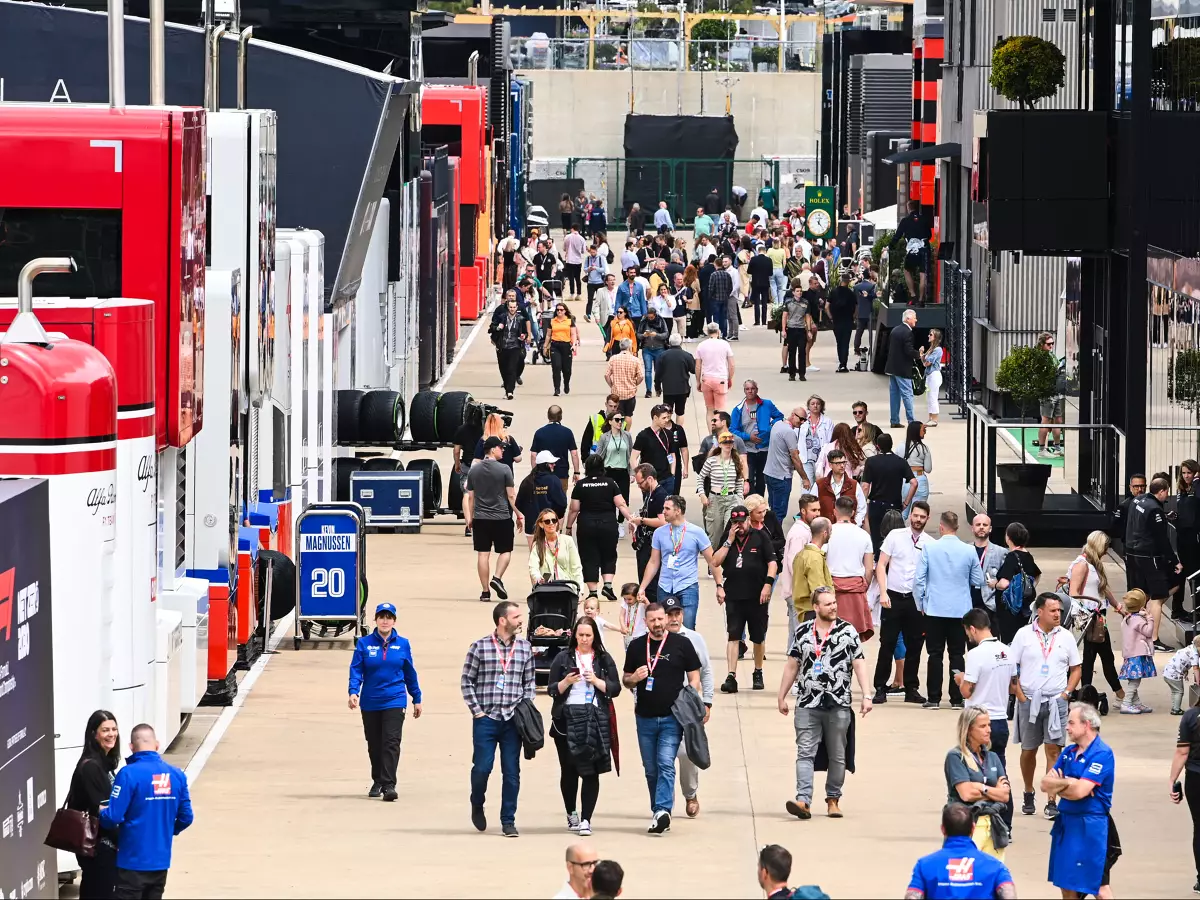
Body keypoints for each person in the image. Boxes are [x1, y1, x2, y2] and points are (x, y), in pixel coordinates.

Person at [778, 586, 872, 820]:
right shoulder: (802, 632)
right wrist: (782, 695)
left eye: (834, 603)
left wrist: (867, 694)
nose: (833, 607)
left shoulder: (847, 631)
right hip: (807, 702)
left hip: (838, 702)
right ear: (816, 607)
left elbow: (859, 663)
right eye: (828, 604)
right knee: (804, 752)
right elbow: (792, 665)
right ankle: (803, 800)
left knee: (837, 754)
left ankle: (833, 799)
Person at [622, 602, 702, 834]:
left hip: (672, 717)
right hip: (644, 718)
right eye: (652, 620)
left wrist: (690, 699)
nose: (657, 624)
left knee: (666, 762)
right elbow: (625, 680)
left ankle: (663, 810)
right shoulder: (636, 646)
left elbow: (694, 676)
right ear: (646, 622)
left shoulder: (681, 644)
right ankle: (658, 811)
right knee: (651, 769)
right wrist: (635, 677)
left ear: (666, 619)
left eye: (660, 619)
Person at [461, 601, 536, 837]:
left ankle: (508, 820)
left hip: (513, 720)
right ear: (502, 620)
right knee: (482, 768)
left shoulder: (524, 648)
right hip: (486, 718)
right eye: (516, 617)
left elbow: (530, 683)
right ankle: (477, 801)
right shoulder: (480, 647)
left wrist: (524, 707)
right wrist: (477, 711)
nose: (520, 620)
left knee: (512, 772)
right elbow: (466, 681)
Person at [98, 724, 193, 900]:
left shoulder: (128, 774)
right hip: (160, 861)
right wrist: (166, 831)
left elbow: (113, 817)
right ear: (157, 745)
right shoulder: (177, 775)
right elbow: (186, 817)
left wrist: (101, 812)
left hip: (132, 861)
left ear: (131, 747)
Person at [548, 618, 622, 839]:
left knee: (591, 770)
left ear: (595, 637)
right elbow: (551, 689)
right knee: (569, 770)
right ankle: (571, 811)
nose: (584, 640)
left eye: (588, 635)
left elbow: (615, 688)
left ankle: (586, 819)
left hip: (595, 717)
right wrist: (566, 682)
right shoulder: (562, 658)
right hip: (566, 719)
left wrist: (597, 681)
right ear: (574, 636)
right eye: (580, 635)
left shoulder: (603, 658)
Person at [1011, 593, 1082, 820]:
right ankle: (1028, 792)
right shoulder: (1023, 635)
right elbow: (1012, 668)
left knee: (1054, 749)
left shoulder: (1066, 636)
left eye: (1059, 611)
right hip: (1029, 700)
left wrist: (1066, 694)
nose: (1057, 614)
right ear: (1039, 611)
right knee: (1028, 750)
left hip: (1056, 701)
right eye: (1053, 610)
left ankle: (1052, 799)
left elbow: (1076, 668)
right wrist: (1021, 696)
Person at [1041, 703, 1118, 900]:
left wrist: (1061, 785)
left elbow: (1080, 791)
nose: (1067, 727)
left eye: (1071, 723)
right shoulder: (1068, 752)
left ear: (1087, 725)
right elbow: (1044, 784)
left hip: (1090, 828)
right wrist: (1070, 783)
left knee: (1099, 887)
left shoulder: (1102, 753)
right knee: (1066, 885)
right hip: (1066, 822)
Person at [347, 602, 423, 803]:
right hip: (371, 700)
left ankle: (389, 784)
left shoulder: (403, 644)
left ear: (394, 620)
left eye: (389, 617)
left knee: (391, 741)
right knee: (374, 743)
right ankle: (377, 780)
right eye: (382, 616)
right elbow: (356, 670)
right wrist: (353, 691)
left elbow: (409, 672)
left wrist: (417, 697)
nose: (385, 620)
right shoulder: (364, 644)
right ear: (376, 620)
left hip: (395, 698)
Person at [916, 511, 985, 710]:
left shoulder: (929, 548)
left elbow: (919, 580)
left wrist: (920, 602)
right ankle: (957, 698)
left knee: (934, 653)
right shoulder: (969, 550)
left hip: (935, 608)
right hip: (960, 610)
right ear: (957, 527)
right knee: (957, 653)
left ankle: (934, 698)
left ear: (941, 526)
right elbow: (978, 580)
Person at [711, 505, 777, 693]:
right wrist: (729, 541)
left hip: (757, 596)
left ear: (748, 520)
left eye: (742, 521)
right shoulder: (728, 539)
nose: (739, 525)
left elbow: (772, 562)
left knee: (758, 636)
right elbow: (715, 561)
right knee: (733, 635)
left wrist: (768, 584)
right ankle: (731, 676)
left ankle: (758, 671)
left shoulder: (760, 537)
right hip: (734, 595)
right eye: (735, 522)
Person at [660, 595, 714, 819]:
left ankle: (690, 794)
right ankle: (663, 803)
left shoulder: (694, 638)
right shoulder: (655, 639)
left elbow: (706, 671)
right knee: (663, 758)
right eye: (669, 615)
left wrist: (707, 701)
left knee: (686, 753)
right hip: (661, 706)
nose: (674, 619)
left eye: (677, 614)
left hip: (687, 707)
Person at [957, 609, 1016, 808]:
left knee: (974, 772)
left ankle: (978, 816)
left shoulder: (975, 655)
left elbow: (966, 692)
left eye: (967, 632)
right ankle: (1005, 823)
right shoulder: (1008, 651)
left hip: (977, 721)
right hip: (1000, 720)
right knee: (1001, 773)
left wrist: (960, 680)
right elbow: (1012, 685)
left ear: (972, 629)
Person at [874, 501, 931, 704]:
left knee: (914, 645)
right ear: (910, 516)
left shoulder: (930, 543)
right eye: (915, 515)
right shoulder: (895, 537)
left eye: (922, 517)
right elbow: (881, 564)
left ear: (927, 519)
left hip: (916, 601)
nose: (917, 520)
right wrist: (882, 592)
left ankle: (911, 687)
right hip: (893, 596)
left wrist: (926, 603)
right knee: (887, 643)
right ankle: (880, 687)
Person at [638, 494, 722, 630]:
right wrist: (642, 588)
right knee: (663, 627)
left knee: (688, 628)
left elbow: (712, 561)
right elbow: (653, 562)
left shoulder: (697, 532)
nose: (663, 511)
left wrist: (719, 585)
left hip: (687, 585)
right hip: (665, 586)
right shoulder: (659, 533)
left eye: (667, 509)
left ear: (678, 511)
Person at [905, 805, 1016, 900]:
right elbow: (1009, 895)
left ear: (943, 829)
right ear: (973, 828)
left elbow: (912, 896)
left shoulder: (925, 865)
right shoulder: (996, 866)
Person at [946, 705, 1013, 860]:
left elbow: (1005, 796)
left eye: (989, 725)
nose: (989, 730)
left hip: (994, 826)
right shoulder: (956, 757)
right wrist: (992, 791)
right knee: (965, 876)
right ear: (968, 730)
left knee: (993, 878)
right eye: (983, 726)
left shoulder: (993, 757)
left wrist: (980, 788)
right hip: (967, 825)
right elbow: (967, 794)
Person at [68, 710, 121, 900]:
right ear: (94, 734)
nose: (111, 734)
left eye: (114, 729)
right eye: (105, 730)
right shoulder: (91, 767)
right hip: (98, 847)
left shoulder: (103, 764)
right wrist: (124, 839)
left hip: (102, 847)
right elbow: (104, 812)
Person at [1125, 475, 1182, 650]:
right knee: (1158, 596)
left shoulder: (1138, 501)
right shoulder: (1155, 510)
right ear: (1163, 491)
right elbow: (1161, 539)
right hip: (1149, 556)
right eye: (1167, 493)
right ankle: (1154, 638)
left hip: (1132, 554)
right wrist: (1174, 561)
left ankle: (1140, 630)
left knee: (1144, 594)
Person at [565, 454, 632, 602]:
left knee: (589, 557)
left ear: (587, 468)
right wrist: (630, 519)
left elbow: (574, 509)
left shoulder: (581, 485)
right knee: (609, 554)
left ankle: (593, 591)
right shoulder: (611, 483)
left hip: (587, 524)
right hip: (608, 523)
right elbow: (621, 504)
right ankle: (607, 585)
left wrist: (569, 527)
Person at [466, 437, 522, 604]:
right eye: (501, 448)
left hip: (481, 518)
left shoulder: (473, 471)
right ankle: (497, 577)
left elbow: (471, 497)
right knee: (505, 551)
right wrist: (519, 513)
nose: (503, 450)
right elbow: (511, 495)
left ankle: (485, 591)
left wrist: (470, 517)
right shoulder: (504, 469)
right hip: (501, 517)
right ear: (492, 449)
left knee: (483, 554)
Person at [1069, 531, 1124, 701]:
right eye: (1106, 547)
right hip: (1090, 617)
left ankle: (1113, 693)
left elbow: (1103, 587)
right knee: (1097, 655)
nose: (1107, 551)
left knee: (1097, 655)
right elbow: (1074, 593)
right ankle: (1119, 694)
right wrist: (1089, 608)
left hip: (1098, 616)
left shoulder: (1093, 564)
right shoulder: (1082, 564)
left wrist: (1117, 605)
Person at [827, 496, 875, 639]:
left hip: (831, 588)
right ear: (853, 513)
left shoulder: (827, 533)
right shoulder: (864, 536)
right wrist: (864, 586)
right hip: (856, 589)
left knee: (831, 635)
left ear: (834, 511)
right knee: (853, 635)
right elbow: (869, 569)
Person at [860, 433, 918, 549]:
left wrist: (862, 505)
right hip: (894, 505)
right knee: (894, 539)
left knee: (876, 539)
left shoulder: (871, 462)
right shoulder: (900, 462)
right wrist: (906, 503)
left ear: (877, 446)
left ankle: (878, 561)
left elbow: (865, 486)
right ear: (891, 445)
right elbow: (914, 483)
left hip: (876, 505)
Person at [782, 494, 822, 650]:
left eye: (818, 509)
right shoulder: (800, 534)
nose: (817, 513)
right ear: (803, 511)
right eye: (813, 510)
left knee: (795, 633)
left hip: (796, 591)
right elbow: (796, 565)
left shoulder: (805, 530)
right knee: (801, 633)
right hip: (797, 592)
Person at [991, 522, 1042, 644]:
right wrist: (1027, 590)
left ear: (1008, 538)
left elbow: (1004, 584)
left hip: (1010, 610)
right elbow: (1037, 574)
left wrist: (994, 584)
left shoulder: (1012, 557)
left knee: (1010, 642)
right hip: (1025, 607)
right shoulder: (1028, 556)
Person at [731, 380, 784, 498]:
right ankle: (750, 504)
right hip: (747, 450)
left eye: (752, 388)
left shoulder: (767, 404)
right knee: (748, 478)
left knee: (761, 480)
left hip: (764, 449)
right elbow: (733, 430)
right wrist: (748, 437)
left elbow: (779, 416)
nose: (750, 391)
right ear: (744, 391)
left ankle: (759, 504)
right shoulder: (738, 409)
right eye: (747, 389)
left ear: (757, 390)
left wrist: (769, 428)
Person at [1170, 685, 1200, 893]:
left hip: (1196, 778)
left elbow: (1182, 752)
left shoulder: (1191, 716)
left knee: (1199, 827)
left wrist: (1173, 780)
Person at [698, 430, 748, 550]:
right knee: (715, 535)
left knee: (729, 529)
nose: (728, 445)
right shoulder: (711, 461)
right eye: (725, 442)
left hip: (732, 499)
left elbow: (739, 481)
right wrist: (702, 494)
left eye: (730, 442)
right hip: (715, 499)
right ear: (720, 444)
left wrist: (740, 498)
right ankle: (713, 563)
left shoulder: (736, 461)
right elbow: (701, 478)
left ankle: (727, 559)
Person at [630, 464, 669, 604]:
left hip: (652, 545)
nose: (639, 486)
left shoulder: (660, 495)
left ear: (650, 479)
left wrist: (641, 520)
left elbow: (663, 521)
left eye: (640, 482)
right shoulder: (649, 494)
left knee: (651, 585)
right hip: (645, 543)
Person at [516, 451, 569, 548]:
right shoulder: (554, 480)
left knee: (534, 557)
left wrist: (528, 514)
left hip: (531, 526)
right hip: (550, 524)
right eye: (552, 463)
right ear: (545, 465)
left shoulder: (527, 481)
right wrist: (556, 516)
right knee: (550, 557)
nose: (554, 465)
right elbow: (562, 503)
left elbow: (519, 503)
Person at [528, 507, 586, 595]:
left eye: (554, 520)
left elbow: (576, 567)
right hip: (547, 588)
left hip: (567, 587)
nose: (551, 523)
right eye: (547, 521)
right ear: (541, 524)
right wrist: (538, 578)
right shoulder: (537, 545)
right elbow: (533, 567)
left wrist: (580, 590)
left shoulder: (567, 541)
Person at [762, 406, 805, 523]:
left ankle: (771, 536)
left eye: (804, 420)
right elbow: (795, 457)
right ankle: (776, 538)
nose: (802, 422)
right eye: (801, 419)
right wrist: (805, 478)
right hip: (782, 477)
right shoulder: (789, 432)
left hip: (769, 474)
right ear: (793, 415)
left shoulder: (777, 425)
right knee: (779, 513)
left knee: (773, 510)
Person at [593, 411, 635, 528]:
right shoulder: (604, 437)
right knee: (608, 498)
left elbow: (631, 455)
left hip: (622, 471)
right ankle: (611, 521)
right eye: (617, 420)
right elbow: (599, 455)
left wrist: (632, 473)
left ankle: (620, 523)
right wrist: (596, 472)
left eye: (621, 419)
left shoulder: (627, 436)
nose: (620, 422)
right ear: (610, 421)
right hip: (608, 471)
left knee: (624, 498)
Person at [1118, 588, 1157, 714]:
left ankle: (1136, 703)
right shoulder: (1139, 620)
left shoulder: (1127, 619)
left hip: (1130, 653)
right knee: (1135, 681)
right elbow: (1148, 632)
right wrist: (1150, 619)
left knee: (1132, 679)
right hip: (1137, 653)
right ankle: (1126, 703)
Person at [969, 514, 1008, 634]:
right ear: (972, 528)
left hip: (991, 606)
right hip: (969, 604)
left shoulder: (1001, 552)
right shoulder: (965, 550)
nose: (981, 527)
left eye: (985, 525)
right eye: (978, 525)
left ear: (990, 529)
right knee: (972, 646)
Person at [791, 518, 834, 625]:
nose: (831, 534)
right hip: (814, 613)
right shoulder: (814, 558)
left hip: (804, 611)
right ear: (825, 533)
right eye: (830, 531)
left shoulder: (801, 554)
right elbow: (819, 590)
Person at [631, 404, 681, 495]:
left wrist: (672, 473)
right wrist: (640, 476)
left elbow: (672, 454)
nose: (667, 420)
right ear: (655, 418)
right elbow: (633, 458)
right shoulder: (643, 435)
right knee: (652, 507)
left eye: (667, 417)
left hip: (667, 479)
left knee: (667, 506)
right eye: (664, 418)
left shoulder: (668, 434)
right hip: (650, 480)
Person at [491, 294, 533, 400]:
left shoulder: (521, 319)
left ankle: (510, 391)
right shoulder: (502, 317)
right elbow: (491, 327)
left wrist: (525, 336)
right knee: (503, 369)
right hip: (502, 347)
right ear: (508, 307)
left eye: (514, 307)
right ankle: (507, 387)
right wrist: (498, 328)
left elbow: (524, 331)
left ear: (517, 308)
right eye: (510, 307)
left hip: (515, 346)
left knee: (511, 368)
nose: (512, 309)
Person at [885, 309, 919, 427]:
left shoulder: (895, 330)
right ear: (908, 319)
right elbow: (908, 350)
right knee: (907, 394)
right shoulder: (908, 332)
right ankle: (911, 421)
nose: (916, 320)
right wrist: (919, 354)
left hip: (892, 368)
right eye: (914, 317)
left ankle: (894, 420)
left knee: (894, 395)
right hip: (902, 369)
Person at [816, 450, 867, 528]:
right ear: (830, 465)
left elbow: (862, 509)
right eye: (838, 463)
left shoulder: (854, 485)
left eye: (844, 462)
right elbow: (813, 507)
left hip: (849, 530)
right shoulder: (819, 485)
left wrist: (856, 525)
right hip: (825, 531)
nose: (842, 465)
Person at [695, 322, 736, 417]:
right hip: (720, 378)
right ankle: (719, 431)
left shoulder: (701, 345)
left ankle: (711, 431)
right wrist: (730, 378)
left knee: (709, 409)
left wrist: (698, 381)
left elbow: (698, 366)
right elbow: (732, 364)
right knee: (720, 410)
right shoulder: (725, 344)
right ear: (718, 331)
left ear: (708, 332)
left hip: (707, 379)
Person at [656, 333, 695, 426]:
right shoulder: (687, 355)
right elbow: (693, 370)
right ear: (681, 342)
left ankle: (667, 432)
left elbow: (658, 373)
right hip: (682, 388)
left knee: (667, 412)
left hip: (668, 389)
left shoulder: (662, 356)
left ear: (669, 342)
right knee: (680, 412)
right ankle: (678, 432)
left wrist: (657, 387)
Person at [544, 302, 581, 397]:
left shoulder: (569, 321)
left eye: (561, 310)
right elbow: (548, 335)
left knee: (567, 369)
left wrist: (574, 344)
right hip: (555, 346)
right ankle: (557, 388)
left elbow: (573, 334)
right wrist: (545, 346)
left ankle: (566, 384)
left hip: (566, 346)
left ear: (565, 311)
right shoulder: (552, 321)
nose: (559, 311)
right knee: (556, 367)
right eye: (558, 310)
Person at [801, 395, 837, 485]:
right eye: (812, 404)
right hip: (806, 458)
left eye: (818, 404)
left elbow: (830, 439)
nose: (815, 406)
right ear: (808, 406)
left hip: (821, 458)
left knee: (821, 484)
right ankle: (807, 499)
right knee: (807, 484)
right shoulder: (803, 420)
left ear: (822, 406)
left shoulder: (827, 421)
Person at [781, 283, 814, 381]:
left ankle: (802, 373)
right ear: (793, 293)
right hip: (791, 328)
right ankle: (792, 374)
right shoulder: (788, 303)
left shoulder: (805, 303)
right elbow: (784, 316)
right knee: (792, 352)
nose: (799, 293)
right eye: (797, 291)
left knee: (802, 351)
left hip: (801, 329)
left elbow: (807, 317)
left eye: (800, 291)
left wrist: (809, 330)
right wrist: (783, 330)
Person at [605, 336, 643, 418]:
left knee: (617, 415)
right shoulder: (635, 360)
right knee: (628, 415)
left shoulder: (613, 359)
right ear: (629, 347)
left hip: (617, 392)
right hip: (630, 392)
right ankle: (627, 431)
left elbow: (606, 375)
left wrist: (611, 385)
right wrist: (635, 383)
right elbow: (641, 376)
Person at [903, 422, 933, 521]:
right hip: (920, 480)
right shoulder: (924, 448)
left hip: (905, 481)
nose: (925, 432)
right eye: (923, 429)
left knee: (903, 512)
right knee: (919, 512)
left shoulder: (901, 447)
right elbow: (928, 469)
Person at [827, 272, 857, 372]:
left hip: (837, 320)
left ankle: (841, 362)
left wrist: (831, 317)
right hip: (848, 320)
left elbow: (826, 306)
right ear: (848, 281)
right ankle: (844, 363)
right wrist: (853, 316)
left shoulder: (834, 292)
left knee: (839, 342)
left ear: (841, 280)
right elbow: (856, 307)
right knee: (846, 342)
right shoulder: (851, 293)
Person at [638, 306, 670, 397]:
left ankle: (658, 387)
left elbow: (666, 334)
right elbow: (638, 334)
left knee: (658, 371)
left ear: (655, 315)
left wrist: (657, 335)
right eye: (649, 317)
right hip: (647, 349)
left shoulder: (661, 321)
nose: (650, 319)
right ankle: (648, 390)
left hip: (659, 349)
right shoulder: (644, 322)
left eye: (652, 317)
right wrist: (644, 335)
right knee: (648, 370)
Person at [1164, 635, 1200, 715]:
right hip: (1174, 675)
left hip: (1168, 672)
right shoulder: (1194, 655)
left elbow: (1183, 661)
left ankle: (1174, 707)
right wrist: (1198, 681)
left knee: (1175, 691)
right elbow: (1196, 668)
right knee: (1179, 691)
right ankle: (1176, 709)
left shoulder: (1189, 648)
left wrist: (1185, 672)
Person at [705, 255, 735, 338]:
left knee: (716, 317)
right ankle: (724, 334)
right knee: (724, 317)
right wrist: (727, 294)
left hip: (715, 299)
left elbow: (711, 288)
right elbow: (730, 287)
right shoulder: (727, 274)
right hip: (725, 298)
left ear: (715, 264)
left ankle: (717, 334)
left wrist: (710, 297)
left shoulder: (713, 275)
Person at [921, 329, 945, 426]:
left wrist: (924, 358)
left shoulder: (937, 350)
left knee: (933, 397)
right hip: (929, 375)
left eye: (931, 335)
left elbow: (927, 363)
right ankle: (930, 417)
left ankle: (934, 419)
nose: (928, 336)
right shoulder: (931, 349)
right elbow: (924, 362)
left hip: (934, 375)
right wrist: (922, 354)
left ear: (936, 337)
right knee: (929, 397)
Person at [853, 270, 876, 356]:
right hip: (869, 311)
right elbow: (874, 297)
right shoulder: (872, 286)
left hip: (860, 311)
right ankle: (871, 348)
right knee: (870, 332)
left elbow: (854, 300)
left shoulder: (856, 287)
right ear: (869, 276)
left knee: (859, 331)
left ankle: (856, 348)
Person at [584, 247, 608, 321]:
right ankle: (588, 315)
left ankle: (602, 314)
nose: (592, 254)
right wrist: (589, 268)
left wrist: (596, 268)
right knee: (590, 299)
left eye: (594, 252)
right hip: (591, 282)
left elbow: (604, 269)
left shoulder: (601, 258)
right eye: (591, 252)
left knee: (601, 299)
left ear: (596, 251)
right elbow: (584, 269)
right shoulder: (588, 258)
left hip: (600, 282)